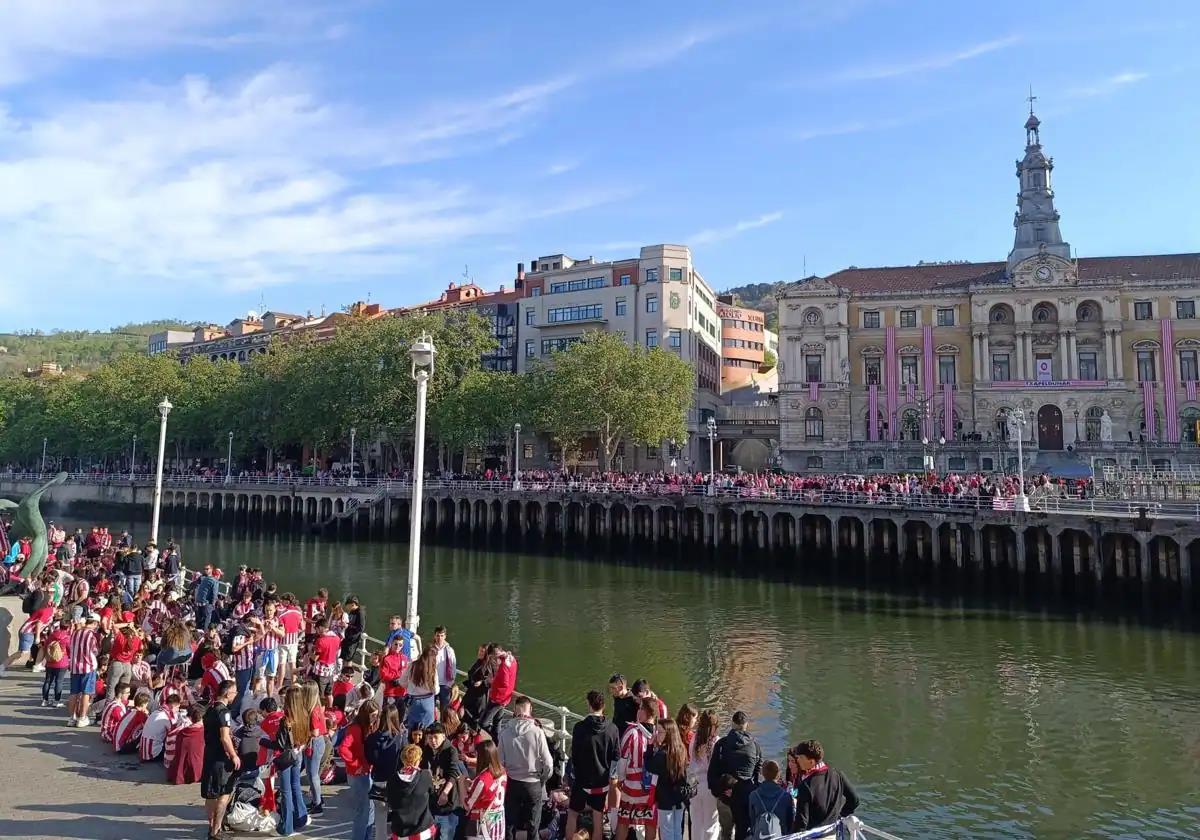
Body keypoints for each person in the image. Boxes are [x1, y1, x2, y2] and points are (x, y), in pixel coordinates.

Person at [566, 690, 619, 840]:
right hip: (601, 782)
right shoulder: (612, 729)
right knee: (598, 817)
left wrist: (574, 775)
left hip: (582, 781)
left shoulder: (579, 728)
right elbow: (616, 756)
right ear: (603, 706)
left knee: (572, 814)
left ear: (589, 705)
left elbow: (574, 755)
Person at [498, 694, 552, 840]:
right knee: (533, 826)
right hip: (533, 783)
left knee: (509, 824)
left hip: (512, 782)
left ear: (515, 711)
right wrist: (542, 780)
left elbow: (500, 762)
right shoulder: (537, 732)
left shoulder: (504, 732)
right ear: (530, 710)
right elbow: (548, 764)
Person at [708, 711, 763, 840]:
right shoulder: (755, 746)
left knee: (725, 832)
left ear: (732, 724)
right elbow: (757, 773)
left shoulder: (721, 744)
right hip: (746, 796)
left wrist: (717, 791)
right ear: (746, 725)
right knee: (743, 832)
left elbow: (713, 770)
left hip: (726, 794)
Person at [265, 685, 310, 836]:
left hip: (286, 756)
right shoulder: (304, 714)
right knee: (295, 785)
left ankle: (286, 827)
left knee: (286, 791)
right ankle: (301, 817)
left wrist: (264, 742)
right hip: (298, 753)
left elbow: (280, 744)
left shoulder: (286, 720)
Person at [202, 679, 241, 840]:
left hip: (209, 755)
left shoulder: (209, 708)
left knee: (210, 794)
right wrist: (233, 755)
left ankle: (211, 826)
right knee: (224, 794)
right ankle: (216, 831)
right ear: (227, 693)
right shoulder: (224, 712)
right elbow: (225, 737)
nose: (236, 694)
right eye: (234, 692)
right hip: (220, 759)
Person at [791, 740, 859, 833]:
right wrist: (839, 815)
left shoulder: (806, 785)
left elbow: (801, 822)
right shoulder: (838, 775)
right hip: (831, 833)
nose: (797, 760)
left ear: (811, 761)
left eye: (800, 757)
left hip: (813, 836)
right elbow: (854, 801)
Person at [615, 697, 658, 840]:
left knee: (624, 820)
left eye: (640, 708)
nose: (637, 711)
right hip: (652, 786)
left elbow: (623, 760)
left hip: (632, 785)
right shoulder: (659, 734)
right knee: (650, 822)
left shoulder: (632, 732)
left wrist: (620, 779)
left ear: (645, 712)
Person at [644, 718, 694, 840]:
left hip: (666, 798)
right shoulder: (680, 750)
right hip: (680, 797)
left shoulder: (662, 755)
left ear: (668, 734)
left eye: (660, 732)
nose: (657, 735)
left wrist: (650, 746)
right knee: (677, 831)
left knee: (667, 832)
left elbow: (649, 766)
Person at [339, 699, 378, 840]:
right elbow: (343, 748)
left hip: (366, 772)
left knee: (370, 809)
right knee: (362, 811)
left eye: (376, 715)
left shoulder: (368, 726)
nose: (375, 718)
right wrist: (355, 764)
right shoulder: (355, 728)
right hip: (358, 775)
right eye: (372, 715)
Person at [422, 721, 463, 840]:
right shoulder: (426, 751)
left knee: (447, 834)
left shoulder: (451, 750)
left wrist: (445, 792)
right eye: (430, 738)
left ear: (443, 736)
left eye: (435, 737)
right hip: (431, 800)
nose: (433, 741)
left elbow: (453, 772)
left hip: (447, 800)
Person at [386, 743, 436, 840]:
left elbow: (391, 803)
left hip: (401, 832)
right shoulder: (425, 776)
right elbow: (432, 794)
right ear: (418, 761)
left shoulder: (392, 780)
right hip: (423, 831)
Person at [688, 711, 722, 840]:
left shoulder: (694, 739)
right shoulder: (715, 742)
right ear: (713, 726)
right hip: (709, 786)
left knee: (696, 822)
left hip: (694, 784)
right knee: (711, 824)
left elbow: (691, 761)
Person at [465, 739, 508, 840]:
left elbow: (467, 805)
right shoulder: (502, 771)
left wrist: (462, 783)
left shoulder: (482, 779)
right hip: (498, 817)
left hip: (481, 820)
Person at [67, 614, 101, 727]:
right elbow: (95, 651)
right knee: (86, 693)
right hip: (88, 666)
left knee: (74, 693)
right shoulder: (91, 635)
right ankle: (82, 717)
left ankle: (72, 718)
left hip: (74, 667)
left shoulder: (75, 633)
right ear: (95, 623)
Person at [748, 761, 794, 840]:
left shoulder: (753, 795)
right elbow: (790, 823)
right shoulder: (786, 796)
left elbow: (752, 822)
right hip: (780, 836)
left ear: (762, 774)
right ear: (778, 774)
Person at [405, 644, 440, 730]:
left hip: (413, 701)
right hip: (428, 702)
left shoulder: (412, 665)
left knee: (412, 728)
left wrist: (409, 687)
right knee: (426, 729)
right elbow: (435, 690)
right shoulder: (433, 670)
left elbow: (402, 681)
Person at [140, 692, 182, 761]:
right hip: (153, 754)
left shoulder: (157, 712)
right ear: (173, 706)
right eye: (178, 707)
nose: (178, 710)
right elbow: (173, 734)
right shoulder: (167, 717)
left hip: (143, 750)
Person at [430, 625, 457, 712]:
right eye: (438, 635)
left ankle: (444, 723)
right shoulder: (430, 649)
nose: (440, 638)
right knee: (431, 706)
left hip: (445, 683)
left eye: (442, 635)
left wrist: (451, 683)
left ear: (445, 636)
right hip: (432, 682)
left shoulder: (449, 650)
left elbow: (453, 666)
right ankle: (432, 723)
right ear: (434, 636)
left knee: (445, 707)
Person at [194, 564, 219, 631]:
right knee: (200, 619)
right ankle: (198, 632)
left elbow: (214, 593)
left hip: (207, 603)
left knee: (206, 619)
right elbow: (196, 587)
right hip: (199, 602)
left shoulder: (213, 581)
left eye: (207, 569)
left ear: (211, 570)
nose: (205, 570)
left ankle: (204, 632)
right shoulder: (201, 578)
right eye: (204, 569)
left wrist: (213, 603)